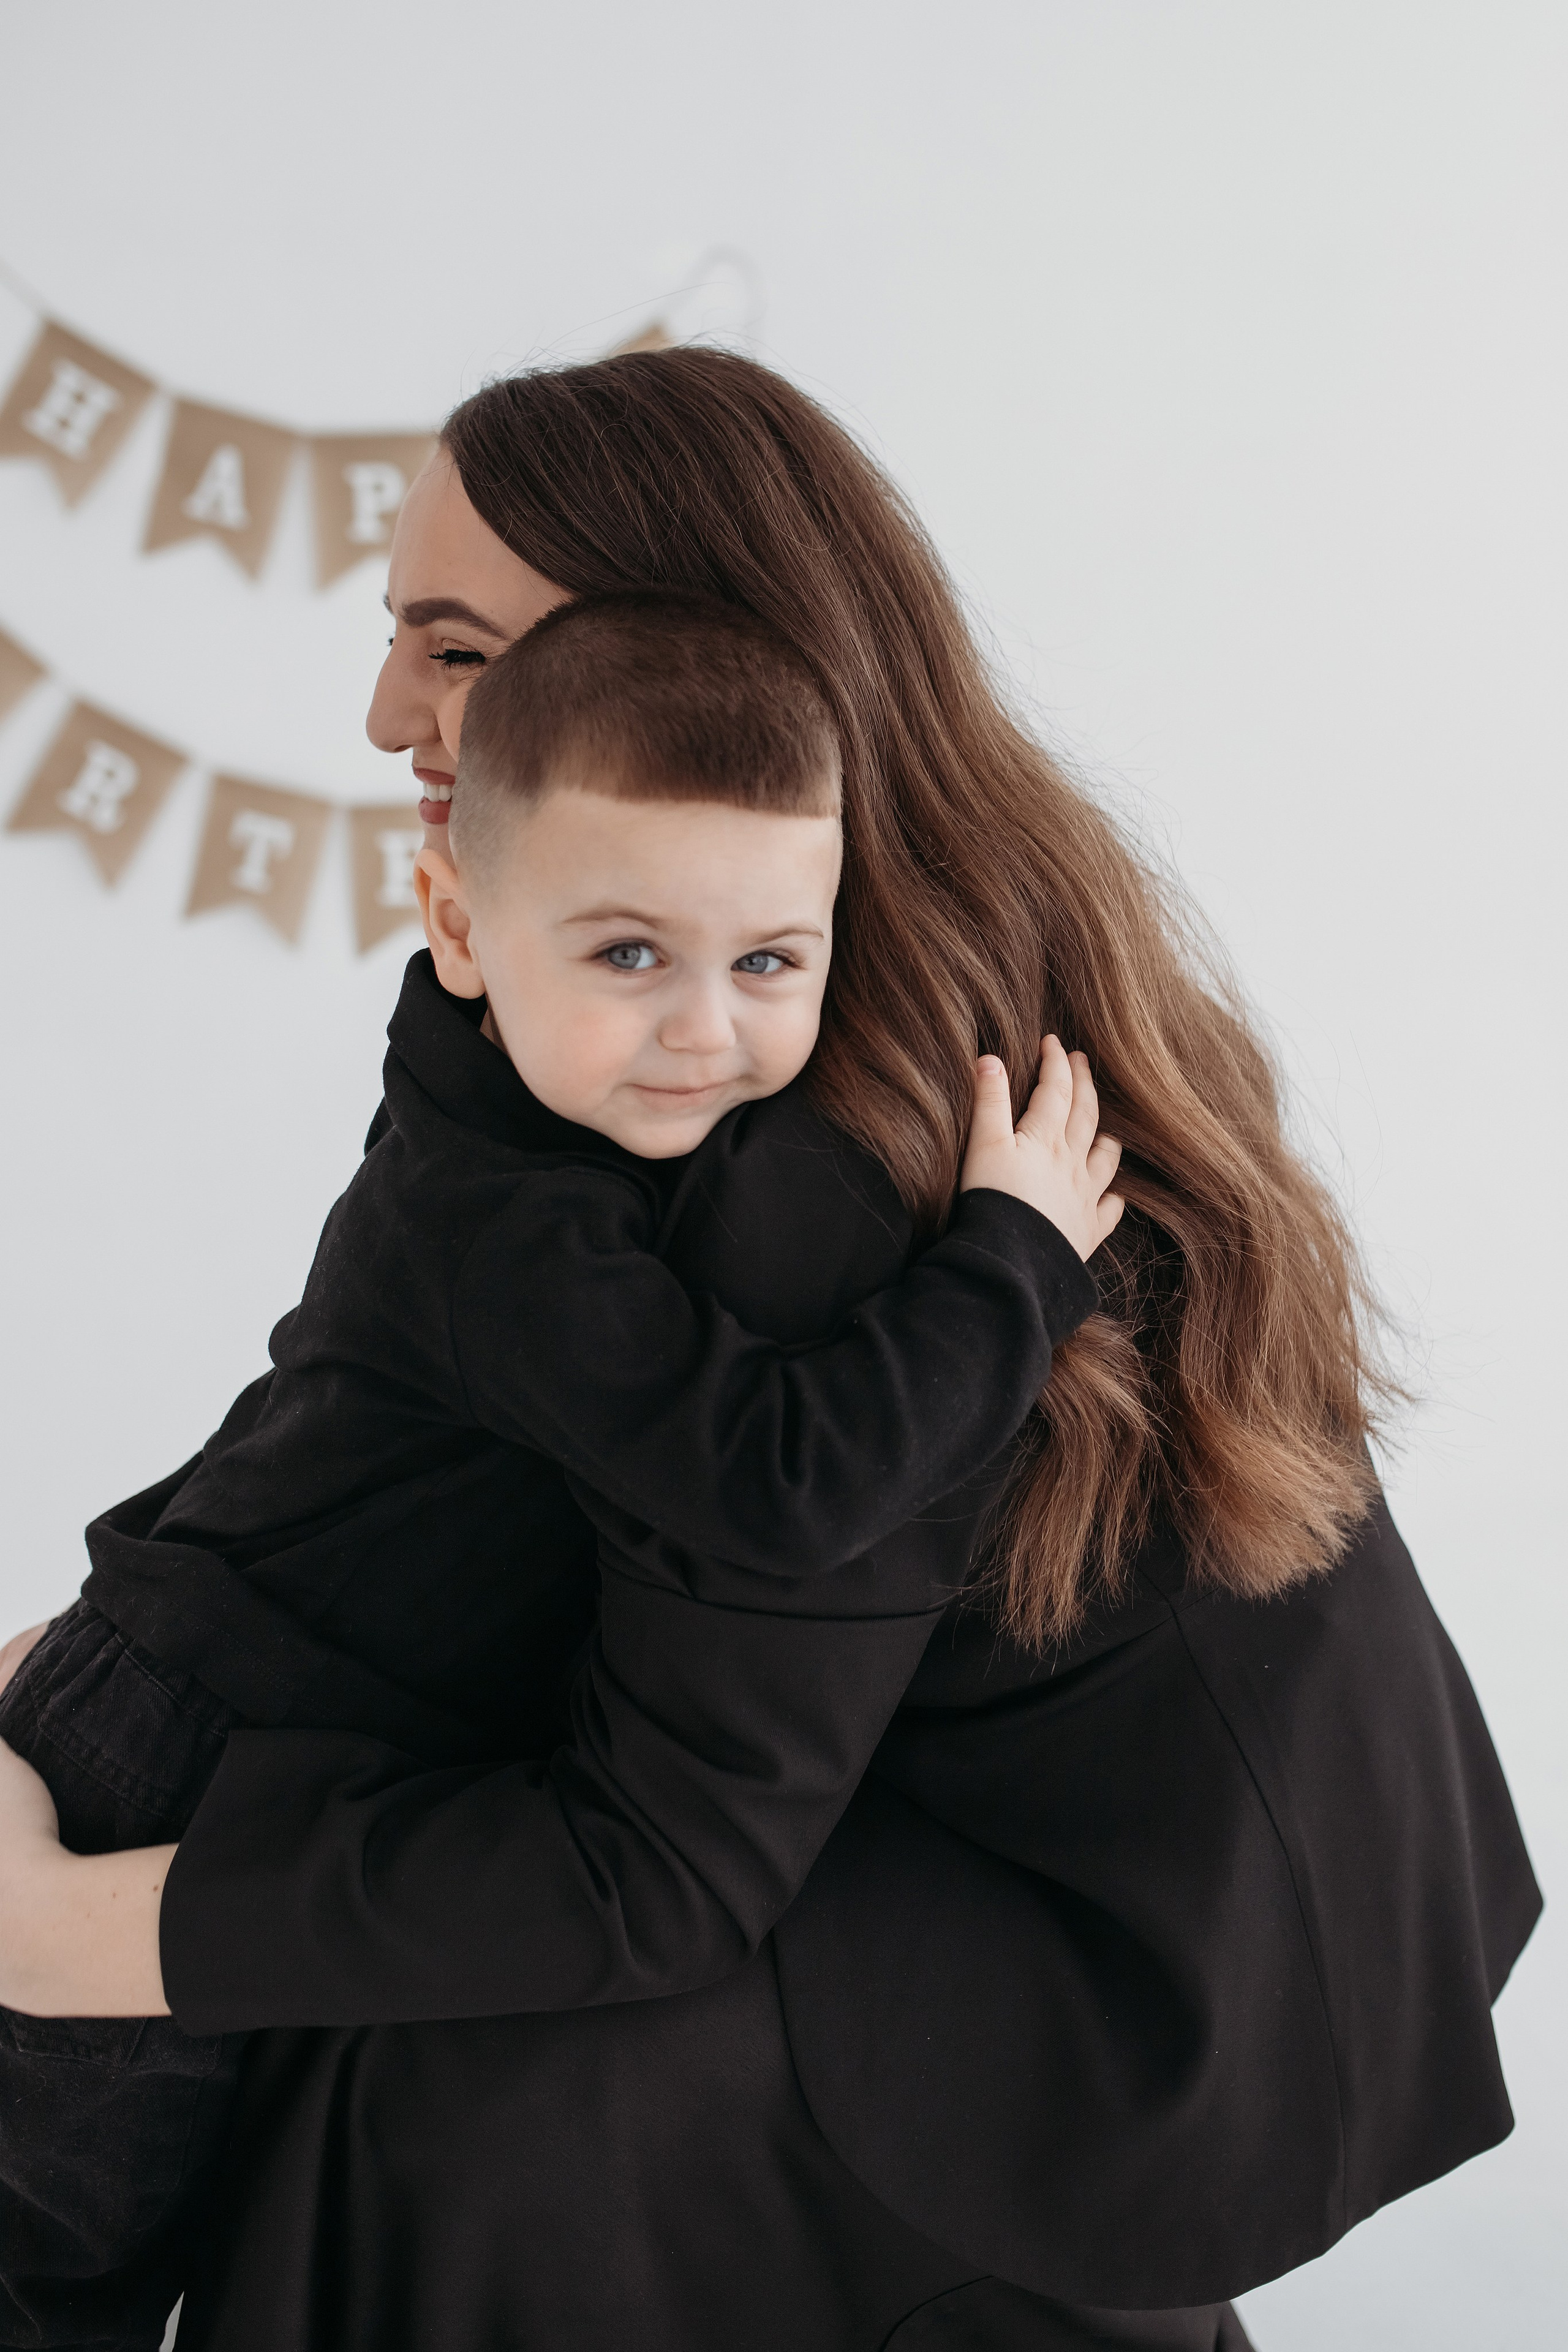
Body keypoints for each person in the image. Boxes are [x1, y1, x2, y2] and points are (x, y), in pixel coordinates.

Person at [0, 349, 1540, 2352]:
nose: (388, 713)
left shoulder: (816, 1184)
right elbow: (471, 1437)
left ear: (704, 679)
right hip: (1174, 1912)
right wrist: (158, 1635)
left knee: (396, 2118)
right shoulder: (885, 993)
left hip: (1029, 2001)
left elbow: (662, 1852)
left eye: (455, 650)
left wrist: (80, 1929)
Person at [0, 589, 1118, 2346]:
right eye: (626, 956)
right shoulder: (504, 1232)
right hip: (173, 1761)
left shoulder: (512, 1095)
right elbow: (780, 1482)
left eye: (768, 964)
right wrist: (1010, 1259)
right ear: (456, 921)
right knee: (51, 2266)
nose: (701, 1029)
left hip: (237, 1721)